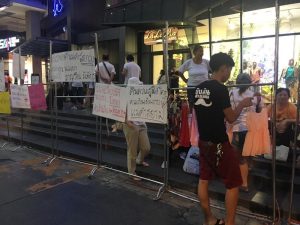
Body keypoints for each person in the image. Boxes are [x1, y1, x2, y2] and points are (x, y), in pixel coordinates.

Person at [194, 52, 253, 225]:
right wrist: (242, 104)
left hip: (203, 142)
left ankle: (209, 220)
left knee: (203, 180)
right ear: (224, 68)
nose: (229, 74)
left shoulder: (199, 88)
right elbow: (231, 118)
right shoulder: (220, 89)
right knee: (233, 182)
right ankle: (230, 223)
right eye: (229, 70)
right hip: (218, 144)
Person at [229, 73, 263, 193]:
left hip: (238, 128)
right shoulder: (256, 95)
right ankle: (249, 167)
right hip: (252, 128)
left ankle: (244, 183)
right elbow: (260, 111)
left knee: (240, 157)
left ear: (237, 82)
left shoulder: (232, 93)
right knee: (248, 152)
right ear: (250, 82)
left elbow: (229, 111)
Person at [123, 77, 151, 180]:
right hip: (131, 125)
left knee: (146, 147)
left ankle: (139, 160)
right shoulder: (125, 96)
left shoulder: (141, 95)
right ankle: (131, 172)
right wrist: (128, 122)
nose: (140, 87)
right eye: (138, 85)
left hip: (141, 124)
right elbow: (120, 112)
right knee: (132, 150)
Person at [177, 45, 210, 110]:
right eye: (200, 51)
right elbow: (180, 72)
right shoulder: (189, 62)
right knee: (192, 106)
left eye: (202, 51)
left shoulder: (206, 62)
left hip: (204, 88)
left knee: (204, 106)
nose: (201, 53)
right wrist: (185, 80)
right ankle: (192, 119)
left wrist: (210, 79)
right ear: (194, 53)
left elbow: (214, 70)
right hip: (192, 88)